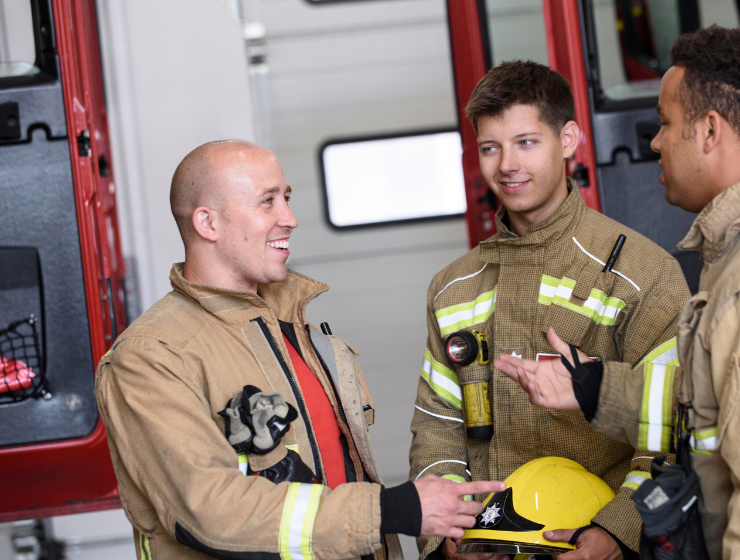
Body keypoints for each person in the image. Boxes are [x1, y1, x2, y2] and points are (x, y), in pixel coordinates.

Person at [95, 140, 505, 560]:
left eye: (287, 198)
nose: (289, 218)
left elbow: (338, 480)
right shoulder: (152, 357)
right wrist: (395, 509)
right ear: (207, 223)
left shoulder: (295, 326)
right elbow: (209, 512)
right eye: (267, 201)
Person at [408, 61, 691, 560]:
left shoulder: (642, 274)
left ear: (568, 139)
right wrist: (445, 531)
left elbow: (669, 432)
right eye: (490, 148)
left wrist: (617, 532)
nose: (507, 165)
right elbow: (437, 428)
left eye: (526, 142)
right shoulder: (452, 287)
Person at [494, 26, 740, 560]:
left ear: (710, 131)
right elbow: (703, 408)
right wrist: (591, 385)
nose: (654, 141)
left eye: (667, 124)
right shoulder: (725, 263)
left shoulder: (731, 284)